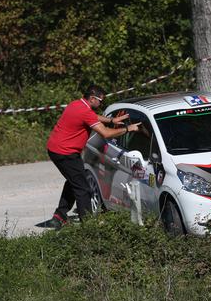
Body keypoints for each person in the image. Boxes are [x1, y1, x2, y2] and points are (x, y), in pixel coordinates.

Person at [45, 85, 141, 228]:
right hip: (66, 153)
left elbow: (93, 117)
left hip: (56, 149)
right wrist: (128, 129)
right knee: (83, 188)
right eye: (100, 101)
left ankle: (59, 216)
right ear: (92, 98)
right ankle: (89, 225)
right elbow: (106, 134)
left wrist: (112, 121)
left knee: (75, 181)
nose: (101, 104)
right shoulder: (85, 112)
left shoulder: (76, 105)